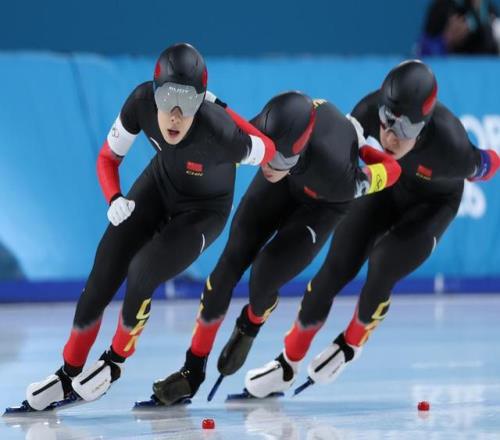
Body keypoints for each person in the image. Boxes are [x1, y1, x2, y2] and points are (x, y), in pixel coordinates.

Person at [22, 42, 276, 411]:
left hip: (204, 212)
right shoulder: (140, 102)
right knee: (102, 273)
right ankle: (67, 371)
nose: (175, 114)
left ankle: (115, 360)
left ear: (200, 102)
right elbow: (108, 157)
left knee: (142, 271)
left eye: (188, 102)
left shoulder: (219, 131)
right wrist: (114, 198)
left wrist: (219, 106)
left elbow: (268, 149)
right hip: (159, 186)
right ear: (154, 92)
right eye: (168, 98)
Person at [244, 60, 500, 398]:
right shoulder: (365, 111)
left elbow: (488, 164)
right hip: (385, 189)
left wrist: (490, 161)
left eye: (405, 128)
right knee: (333, 271)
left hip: (432, 207)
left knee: (384, 263)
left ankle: (352, 342)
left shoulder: (451, 146)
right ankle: (288, 362)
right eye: (387, 119)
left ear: (424, 124)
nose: (391, 135)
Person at [151, 91, 402, 406]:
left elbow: (393, 171)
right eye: (265, 152)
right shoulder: (266, 130)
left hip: (323, 203)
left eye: (279, 157)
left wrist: (364, 154)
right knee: (226, 269)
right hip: (285, 183)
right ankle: (192, 371)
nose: (268, 165)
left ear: (297, 151)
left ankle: (252, 321)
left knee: (264, 276)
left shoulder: (339, 173)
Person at [417, 0, 499, 55]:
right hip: (450, 72)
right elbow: (423, 53)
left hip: (483, 73)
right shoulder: (441, 8)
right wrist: (446, 40)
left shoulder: (490, 10)